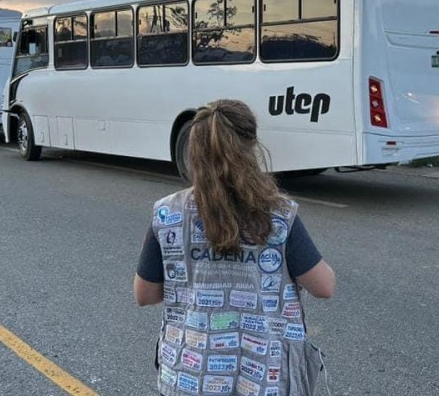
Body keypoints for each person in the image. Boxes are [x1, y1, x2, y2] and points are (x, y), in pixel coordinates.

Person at [134, 99, 335, 396]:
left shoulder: (167, 213)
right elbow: (324, 286)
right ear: (251, 147)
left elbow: (145, 294)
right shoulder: (278, 214)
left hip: (189, 376)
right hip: (263, 377)